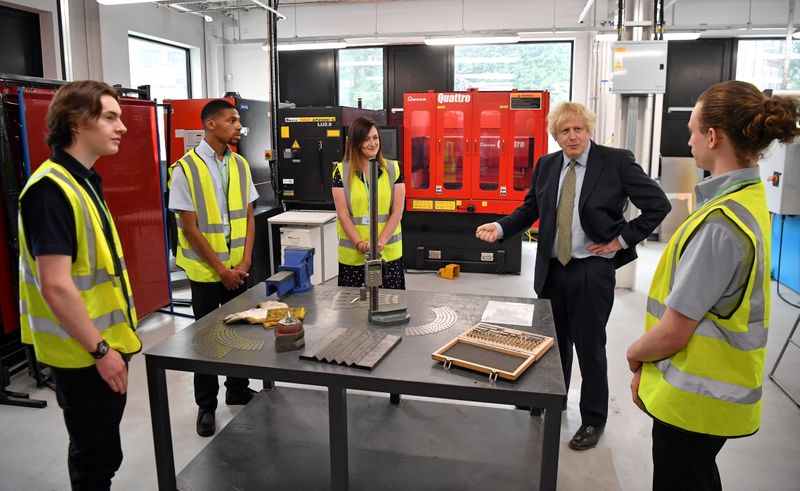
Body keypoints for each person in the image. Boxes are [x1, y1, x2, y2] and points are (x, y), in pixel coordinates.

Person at [626, 81, 799, 490]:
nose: (688, 142)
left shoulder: (720, 224)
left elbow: (674, 330)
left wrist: (634, 356)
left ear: (713, 136)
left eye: (691, 131)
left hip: (693, 398)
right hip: (709, 397)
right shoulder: (749, 198)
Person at [476, 102, 670, 450]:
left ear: (588, 129)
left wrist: (621, 239)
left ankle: (593, 419)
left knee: (589, 346)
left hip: (591, 271)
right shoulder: (548, 165)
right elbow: (531, 208)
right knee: (552, 344)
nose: (572, 136)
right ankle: (553, 399)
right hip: (552, 270)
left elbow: (658, 204)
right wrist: (501, 226)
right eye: (565, 130)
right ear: (556, 135)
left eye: (578, 128)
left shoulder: (616, 161)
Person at [18, 80, 142, 489]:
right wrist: (101, 350)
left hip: (101, 345)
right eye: (109, 117)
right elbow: (55, 285)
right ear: (74, 121)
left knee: (103, 453)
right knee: (94, 461)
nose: (121, 126)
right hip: (83, 354)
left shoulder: (83, 180)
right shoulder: (50, 190)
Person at [168, 99, 259, 437]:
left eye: (238, 120)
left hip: (240, 267)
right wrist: (221, 269)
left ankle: (237, 388)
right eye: (232, 120)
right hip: (207, 273)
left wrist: (246, 260)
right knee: (205, 341)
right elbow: (189, 228)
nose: (238, 126)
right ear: (210, 124)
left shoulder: (240, 165)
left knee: (241, 332)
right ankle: (206, 406)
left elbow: (248, 215)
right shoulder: (185, 169)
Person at [332, 117, 406, 290]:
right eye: (366, 139)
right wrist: (359, 243)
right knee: (353, 309)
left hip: (388, 253)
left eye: (375, 138)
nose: (372, 143)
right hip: (354, 256)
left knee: (390, 306)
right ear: (356, 142)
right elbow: (343, 215)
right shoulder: (341, 172)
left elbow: (397, 211)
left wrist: (380, 242)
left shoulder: (393, 169)